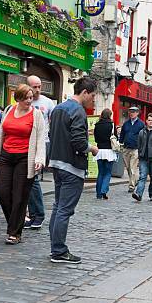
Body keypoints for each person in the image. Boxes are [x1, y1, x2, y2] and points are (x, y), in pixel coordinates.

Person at [48, 77, 99, 263]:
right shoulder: (78, 111)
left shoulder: (59, 108)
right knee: (64, 210)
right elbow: (78, 141)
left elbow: (51, 134)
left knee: (58, 207)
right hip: (71, 165)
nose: (93, 100)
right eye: (92, 96)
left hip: (56, 162)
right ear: (84, 92)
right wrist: (91, 148)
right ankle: (59, 251)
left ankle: (55, 246)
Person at [0, 84, 45, 245]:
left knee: (20, 196)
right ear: (18, 98)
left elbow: (40, 138)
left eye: (31, 97)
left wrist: (40, 159)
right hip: (6, 156)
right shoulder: (8, 111)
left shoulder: (36, 115)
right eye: (26, 98)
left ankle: (14, 232)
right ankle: (15, 223)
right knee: (2, 193)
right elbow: (2, 132)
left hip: (25, 158)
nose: (29, 100)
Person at [25, 75, 54, 229]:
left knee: (33, 179)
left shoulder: (48, 103)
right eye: (34, 87)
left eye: (39, 87)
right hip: (25, 144)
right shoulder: (23, 102)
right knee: (27, 181)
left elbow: (53, 125)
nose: (37, 90)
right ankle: (33, 214)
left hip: (42, 144)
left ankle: (39, 215)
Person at [132, 113, 152, 202]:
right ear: (146, 121)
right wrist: (139, 154)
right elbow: (139, 144)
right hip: (143, 158)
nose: (150, 122)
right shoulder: (142, 132)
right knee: (142, 176)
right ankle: (138, 194)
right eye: (149, 120)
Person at [119, 106, 145, 192]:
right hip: (126, 148)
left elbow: (144, 137)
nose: (131, 113)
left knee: (133, 167)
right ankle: (134, 180)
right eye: (130, 112)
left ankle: (131, 186)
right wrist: (120, 143)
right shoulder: (126, 123)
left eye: (133, 112)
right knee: (128, 167)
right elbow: (122, 134)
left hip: (135, 149)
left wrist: (142, 148)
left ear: (137, 113)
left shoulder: (141, 124)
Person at [93, 108, 117, 200]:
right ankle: (104, 190)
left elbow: (95, 139)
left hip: (99, 151)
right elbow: (115, 137)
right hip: (109, 151)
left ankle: (98, 193)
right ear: (110, 115)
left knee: (101, 173)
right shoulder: (112, 125)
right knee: (107, 173)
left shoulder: (97, 125)